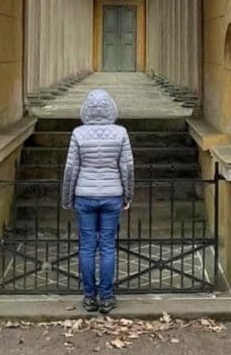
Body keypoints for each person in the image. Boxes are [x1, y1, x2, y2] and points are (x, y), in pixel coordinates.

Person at [61, 88, 134, 314]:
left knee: (87, 247)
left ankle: (89, 297)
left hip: (85, 195)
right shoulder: (121, 133)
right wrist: (128, 195)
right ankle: (106, 297)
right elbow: (127, 168)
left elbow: (71, 169)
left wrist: (67, 198)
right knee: (108, 247)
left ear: (87, 110)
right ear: (111, 108)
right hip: (112, 195)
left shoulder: (78, 133)